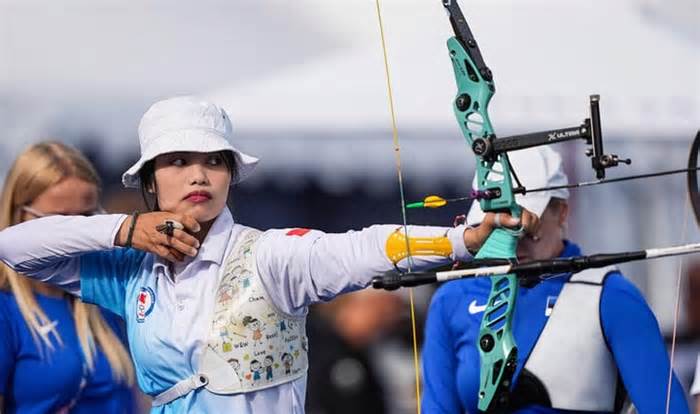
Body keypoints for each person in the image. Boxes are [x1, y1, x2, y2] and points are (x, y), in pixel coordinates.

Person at [0, 96, 539, 413]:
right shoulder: (128, 272)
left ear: (231, 173)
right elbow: (14, 248)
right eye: (178, 160)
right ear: (149, 181)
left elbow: (364, 248)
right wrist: (125, 229)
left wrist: (462, 241)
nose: (197, 174)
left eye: (214, 161)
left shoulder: (273, 258)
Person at [421, 146, 690, 413]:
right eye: (496, 230)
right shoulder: (452, 299)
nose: (512, 245)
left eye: (524, 229)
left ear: (562, 212)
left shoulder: (611, 297)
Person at [0, 142, 136, 413]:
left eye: (87, 220)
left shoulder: (111, 295)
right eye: (60, 224)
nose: (78, 238)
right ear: (19, 215)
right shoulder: (6, 310)